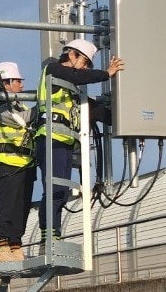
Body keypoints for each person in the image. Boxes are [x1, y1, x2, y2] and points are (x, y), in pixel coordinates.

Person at [34, 39, 123, 243]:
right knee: (55, 188)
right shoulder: (53, 70)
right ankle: (49, 236)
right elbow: (75, 75)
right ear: (72, 55)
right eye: (86, 62)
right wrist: (106, 73)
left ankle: (53, 235)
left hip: (64, 141)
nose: (86, 68)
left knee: (62, 190)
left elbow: (100, 113)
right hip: (50, 138)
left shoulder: (73, 90)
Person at [0, 62, 35, 262]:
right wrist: (45, 105)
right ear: (7, 83)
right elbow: (21, 120)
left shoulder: (19, 104)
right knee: (8, 205)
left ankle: (16, 244)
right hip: (7, 164)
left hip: (26, 163)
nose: (21, 86)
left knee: (22, 206)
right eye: (18, 82)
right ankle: (2, 244)